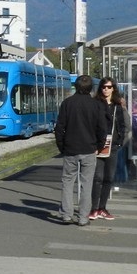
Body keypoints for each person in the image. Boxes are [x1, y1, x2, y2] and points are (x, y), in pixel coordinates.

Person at [53, 74, 107, 226]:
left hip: (70, 149)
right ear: (91, 88)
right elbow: (102, 129)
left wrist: (62, 147)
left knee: (67, 182)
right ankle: (83, 218)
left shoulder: (67, 103)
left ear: (75, 87)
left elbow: (59, 128)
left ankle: (66, 215)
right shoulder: (96, 105)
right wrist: (99, 146)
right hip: (89, 149)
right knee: (86, 184)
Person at [89, 77, 128, 221]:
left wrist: (120, 140)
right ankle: (94, 208)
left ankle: (102, 207)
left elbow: (123, 124)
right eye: (103, 87)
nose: (106, 89)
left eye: (109, 87)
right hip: (99, 144)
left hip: (113, 145)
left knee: (109, 178)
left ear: (113, 89)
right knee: (98, 177)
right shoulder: (96, 103)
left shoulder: (118, 105)